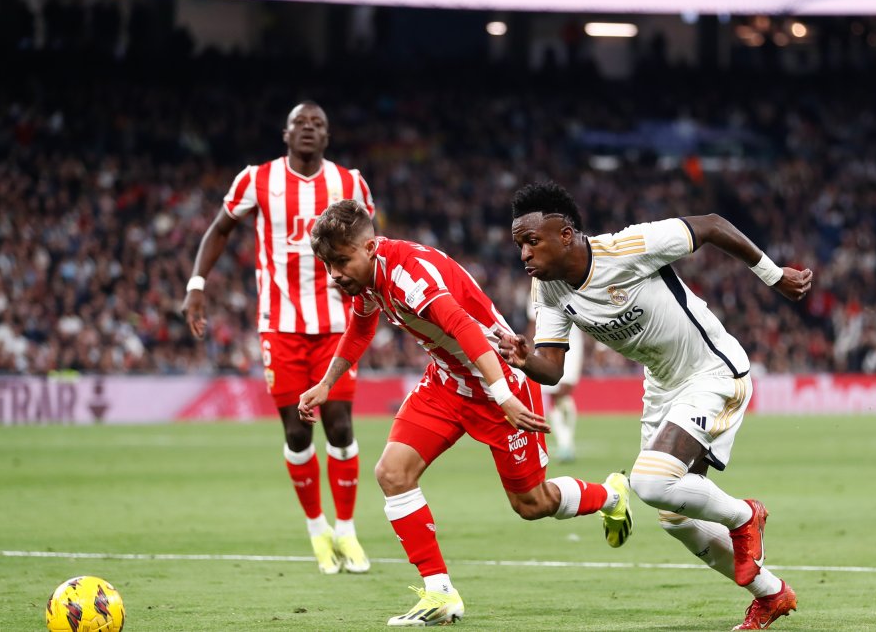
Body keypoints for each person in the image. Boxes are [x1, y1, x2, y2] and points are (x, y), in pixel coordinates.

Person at [298, 200, 632, 627]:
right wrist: (327, 383)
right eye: (328, 265)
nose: (335, 274)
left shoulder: (410, 276)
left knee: (531, 504)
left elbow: (464, 328)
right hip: (446, 382)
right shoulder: (365, 281)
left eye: (341, 262)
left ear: (371, 247)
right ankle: (439, 593)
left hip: (500, 379)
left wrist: (503, 394)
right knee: (392, 472)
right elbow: (361, 326)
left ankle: (612, 496)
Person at [503, 181, 813, 631]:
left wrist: (773, 275)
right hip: (664, 387)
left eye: (532, 241)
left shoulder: (627, 247)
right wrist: (523, 357)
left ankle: (745, 515)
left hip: (713, 371)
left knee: (649, 483)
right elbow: (551, 368)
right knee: (674, 517)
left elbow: (710, 226)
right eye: (518, 246)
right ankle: (770, 594)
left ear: (566, 234)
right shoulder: (549, 291)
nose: (524, 255)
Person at [181, 101, 374, 574]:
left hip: (337, 323)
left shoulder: (350, 183)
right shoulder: (256, 179)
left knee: (342, 426)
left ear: (327, 137)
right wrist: (197, 285)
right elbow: (220, 229)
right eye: (300, 123)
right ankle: (317, 530)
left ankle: (346, 530)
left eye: (318, 124)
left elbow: (372, 246)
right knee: (296, 429)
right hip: (281, 325)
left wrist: (378, 295)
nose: (308, 129)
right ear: (285, 134)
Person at [526, 294, 586, 462]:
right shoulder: (537, 289)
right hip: (548, 346)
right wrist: (530, 350)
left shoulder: (570, 284)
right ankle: (565, 444)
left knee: (563, 392)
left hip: (572, 345)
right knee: (555, 395)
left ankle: (566, 444)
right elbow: (533, 321)